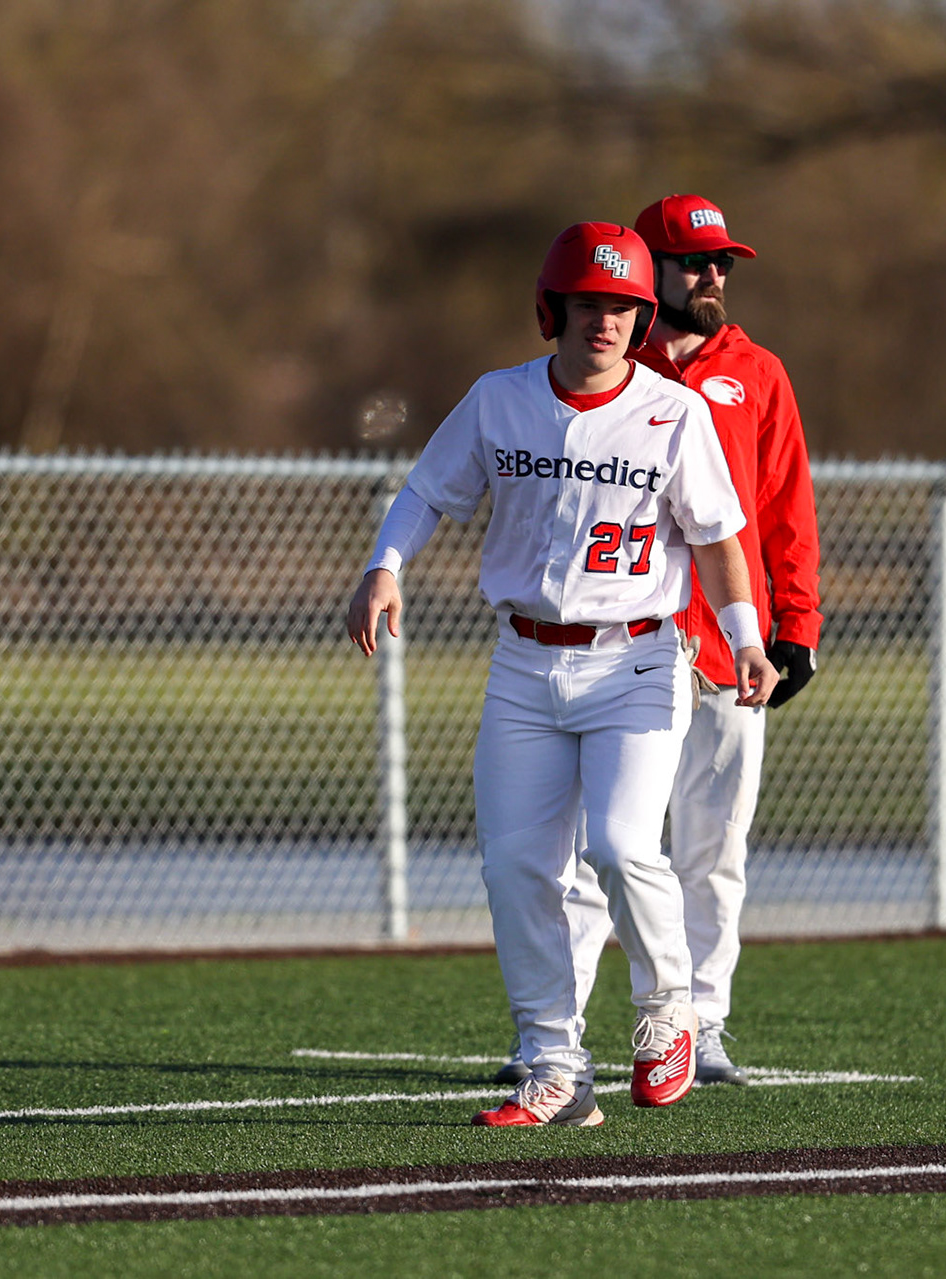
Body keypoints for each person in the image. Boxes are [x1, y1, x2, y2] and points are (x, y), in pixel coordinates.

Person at [347, 222, 778, 1127]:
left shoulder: (675, 410)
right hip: (524, 662)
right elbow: (428, 490)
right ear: (556, 308)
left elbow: (718, 537)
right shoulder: (499, 400)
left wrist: (744, 635)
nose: (608, 322)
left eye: (624, 306)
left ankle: (670, 1013)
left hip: (638, 658)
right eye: (591, 304)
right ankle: (554, 1064)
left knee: (623, 846)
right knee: (515, 866)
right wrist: (385, 564)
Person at [492, 195, 821, 1089]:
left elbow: (783, 509)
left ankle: (699, 1023)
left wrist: (795, 626)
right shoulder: (603, 360)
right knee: (600, 851)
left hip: (721, 650)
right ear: (649, 270)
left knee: (712, 847)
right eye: (693, 262)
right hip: (616, 649)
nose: (712, 277)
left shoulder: (755, 371)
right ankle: (557, 1038)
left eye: (722, 264)